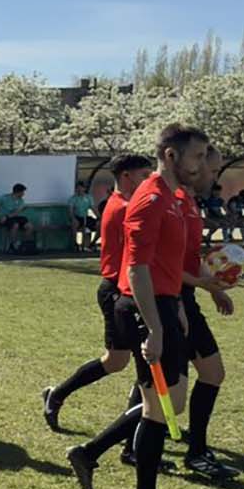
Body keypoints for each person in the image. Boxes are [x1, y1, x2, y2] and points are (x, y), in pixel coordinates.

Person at [65, 124, 208, 489]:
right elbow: (137, 268)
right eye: (197, 156)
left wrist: (176, 303)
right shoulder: (149, 200)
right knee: (161, 407)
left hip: (163, 306)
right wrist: (156, 327)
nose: (201, 165)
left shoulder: (173, 198)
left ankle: (90, 453)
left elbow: (165, 264)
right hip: (144, 310)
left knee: (168, 404)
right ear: (171, 156)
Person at [42, 154, 153, 431]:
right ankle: (141, 429)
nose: (149, 181)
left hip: (125, 289)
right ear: (126, 176)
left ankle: (57, 395)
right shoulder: (124, 208)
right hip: (119, 290)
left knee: (120, 361)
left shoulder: (125, 204)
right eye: (144, 175)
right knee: (139, 362)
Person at [175, 147, 240, 481]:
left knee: (201, 377)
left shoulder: (187, 203)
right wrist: (198, 288)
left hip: (184, 296)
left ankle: (195, 450)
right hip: (173, 300)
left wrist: (213, 288)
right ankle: (196, 453)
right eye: (212, 171)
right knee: (173, 397)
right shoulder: (170, 202)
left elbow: (188, 255)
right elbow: (161, 264)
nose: (214, 177)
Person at [0, 184, 33, 252]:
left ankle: (22, 244)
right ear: (18, 192)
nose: (23, 194)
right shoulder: (4, 198)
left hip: (14, 217)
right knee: (15, 225)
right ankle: (13, 245)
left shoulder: (21, 200)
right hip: (4, 219)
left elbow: (16, 213)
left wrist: (20, 210)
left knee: (29, 226)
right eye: (22, 192)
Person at [68, 181, 98, 251]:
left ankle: (90, 244)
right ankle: (75, 244)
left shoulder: (88, 198)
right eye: (78, 188)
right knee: (75, 223)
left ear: (84, 189)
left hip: (85, 216)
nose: (79, 190)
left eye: (81, 188)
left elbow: (93, 208)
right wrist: (73, 218)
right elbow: (70, 211)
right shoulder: (73, 199)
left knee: (95, 224)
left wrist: (99, 217)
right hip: (77, 216)